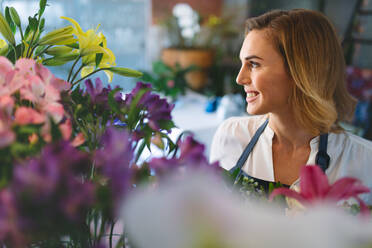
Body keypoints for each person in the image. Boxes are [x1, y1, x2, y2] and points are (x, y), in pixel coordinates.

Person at [209, 9, 372, 204]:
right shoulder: (231, 135)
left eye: (254, 64)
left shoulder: (364, 160)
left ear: (301, 71)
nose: (240, 78)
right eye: (242, 64)